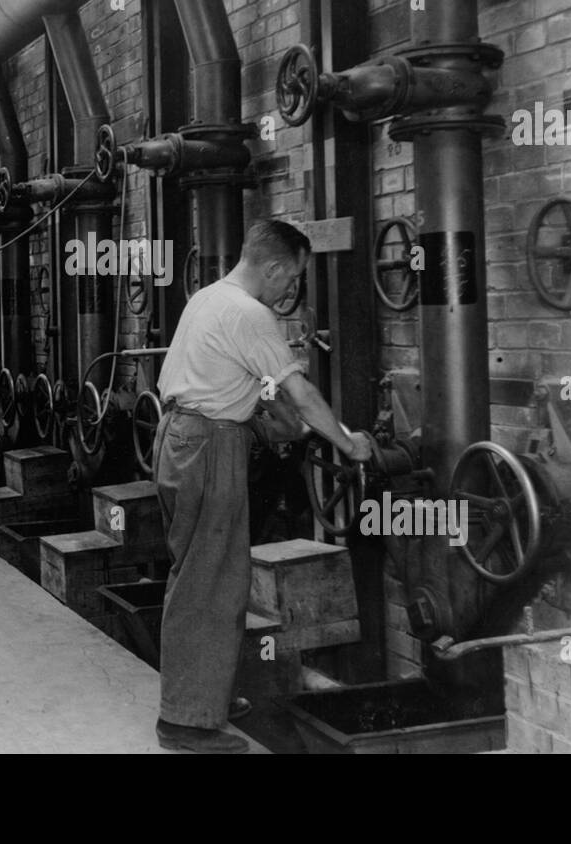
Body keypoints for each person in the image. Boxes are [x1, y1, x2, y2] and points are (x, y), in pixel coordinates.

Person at [153, 218, 372, 753]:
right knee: (211, 582)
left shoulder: (208, 297)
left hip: (178, 437)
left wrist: (271, 419)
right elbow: (300, 394)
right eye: (289, 279)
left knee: (199, 571)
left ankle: (205, 696)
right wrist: (350, 444)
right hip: (209, 446)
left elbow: (251, 385)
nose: (288, 291)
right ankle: (185, 724)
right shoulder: (251, 314)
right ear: (272, 267)